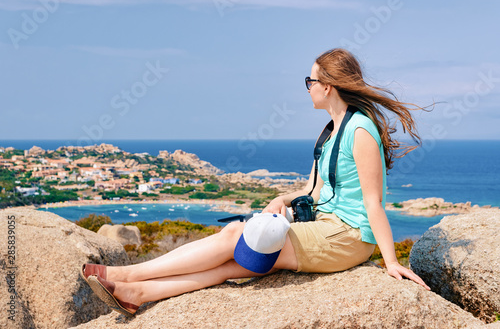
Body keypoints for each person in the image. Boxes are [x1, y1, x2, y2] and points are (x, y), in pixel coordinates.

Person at [81, 48, 430, 317]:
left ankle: (126, 276)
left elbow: (373, 202)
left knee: (235, 236)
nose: (307, 88)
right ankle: (137, 295)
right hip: (325, 227)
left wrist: (391, 262)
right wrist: (284, 198)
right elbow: (316, 191)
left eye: (310, 82)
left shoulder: (360, 129)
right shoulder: (331, 130)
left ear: (328, 86)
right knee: (233, 263)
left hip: (349, 237)